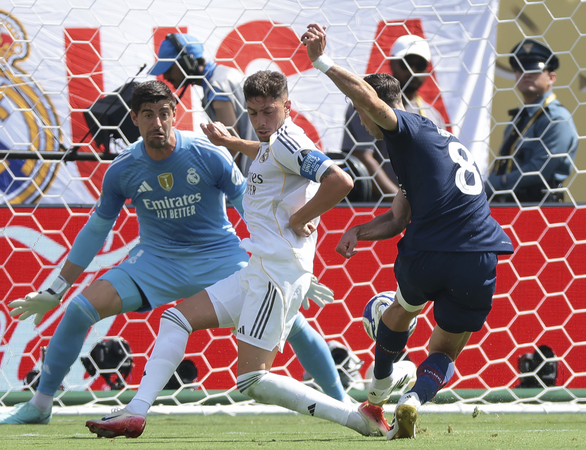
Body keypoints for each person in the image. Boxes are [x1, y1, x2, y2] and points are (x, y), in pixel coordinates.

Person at [0, 80, 347, 426]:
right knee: (80, 309)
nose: (157, 123)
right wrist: (57, 289)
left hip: (219, 257)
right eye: (148, 115)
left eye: (164, 113)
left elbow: (249, 208)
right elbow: (96, 230)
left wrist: (288, 267)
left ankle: (344, 403)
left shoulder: (209, 154)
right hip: (156, 262)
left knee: (296, 324)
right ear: (134, 119)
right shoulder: (122, 170)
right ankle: (40, 404)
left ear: (175, 113)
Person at [85, 70, 391, 439]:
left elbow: (341, 181)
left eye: (270, 112)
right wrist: (235, 141)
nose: (261, 122)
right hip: (259, 270)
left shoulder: (289, 142)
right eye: (255, 112)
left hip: (274, 275)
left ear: (287, 107)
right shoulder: (274, 142)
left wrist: (300, 217)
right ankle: (136, 412)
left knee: (252, 379)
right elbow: (270, 152)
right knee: (176, 319)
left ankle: (357, 417)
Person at [302, 23, 515, 440]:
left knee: (397, 312)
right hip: (481, 254)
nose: (362, 121)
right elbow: (398, 217)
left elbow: (369, 100)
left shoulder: (406, 127)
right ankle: (413, 400)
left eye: (364, 112)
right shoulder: (439, 138)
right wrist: (359, 232)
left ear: (378, 107)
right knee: (445, 349)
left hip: (431, 252)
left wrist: (321, 61)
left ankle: (377, 396)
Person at [341, 34, 445, 199]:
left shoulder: (433, 116)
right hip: (375, 205)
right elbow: (361, 156)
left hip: (417, 207)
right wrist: (398, 200)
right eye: (407, 63)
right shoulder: (366, 106)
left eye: (420, 64)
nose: (413, 70)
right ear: (392, 63)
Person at [487, 38, 579, 204]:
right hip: (508, 205)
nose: (526, 74)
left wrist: (492, 185)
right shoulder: (520, 119)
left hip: (539, 208)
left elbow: (540, 170)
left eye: (534, 70)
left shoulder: (557, 119)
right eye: (521, 69)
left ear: (551, 77)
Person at [150, 33, 255, 171]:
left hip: (253, 177)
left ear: (187, 63)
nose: (165, 76)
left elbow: (231, 146)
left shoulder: (216, 87)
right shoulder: (222, 75)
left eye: (169, 68)